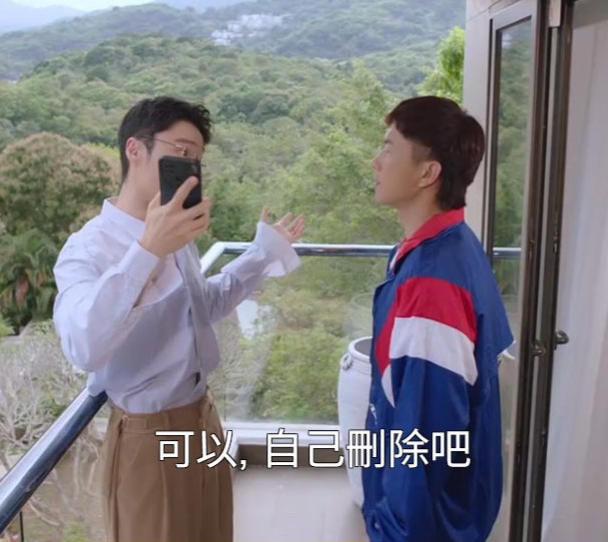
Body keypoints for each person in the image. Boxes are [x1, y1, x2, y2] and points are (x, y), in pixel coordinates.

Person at [52, 96, 306, 542]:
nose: (190, 167)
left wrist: (263, 253)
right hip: (148, 436)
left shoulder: (178, 237)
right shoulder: (90, 248)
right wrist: (147, 250)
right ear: (135, 149)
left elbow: (205, 306)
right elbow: (83, 345)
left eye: (196, 159)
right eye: (181, 152)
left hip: (203, 418)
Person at [362, 96, 514, 542]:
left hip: (427, 526)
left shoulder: (432, 285)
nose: (376, 161)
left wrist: (392, 529)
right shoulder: (452, 245)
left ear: (428, 173)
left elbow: (426, 441)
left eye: (389, 148)